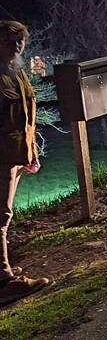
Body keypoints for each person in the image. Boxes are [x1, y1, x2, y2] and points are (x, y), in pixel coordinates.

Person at [0, 21, 51, 305]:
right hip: (2, 156)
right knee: (0, 216)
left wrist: (30, 153)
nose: (16, 46)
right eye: (8, 41)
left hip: (15, 154)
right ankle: (4, 280)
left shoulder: (16, 72)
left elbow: (25, 119)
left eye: (20, 41)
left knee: (4, 214)